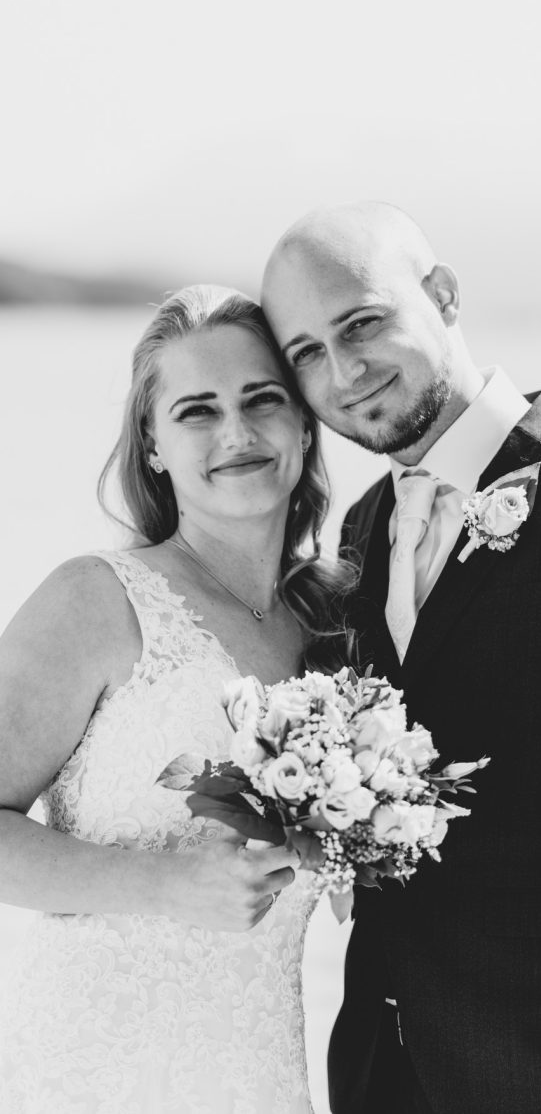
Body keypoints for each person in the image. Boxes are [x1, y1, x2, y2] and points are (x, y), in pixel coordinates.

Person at [262, 201, 541, 1114]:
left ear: (441, 294)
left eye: (362, 323)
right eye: (307, 353)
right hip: (381, 1060)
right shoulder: (362, 532)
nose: (344, 372)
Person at [0, 283, 351, 1114]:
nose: (236, 432)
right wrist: (163, 885)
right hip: (95, 1072)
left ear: (305, 423)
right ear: (152, 444)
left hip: (260, 1071)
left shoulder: (339, 625)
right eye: (197, 410)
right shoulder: (97, 599)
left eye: (262, 399)